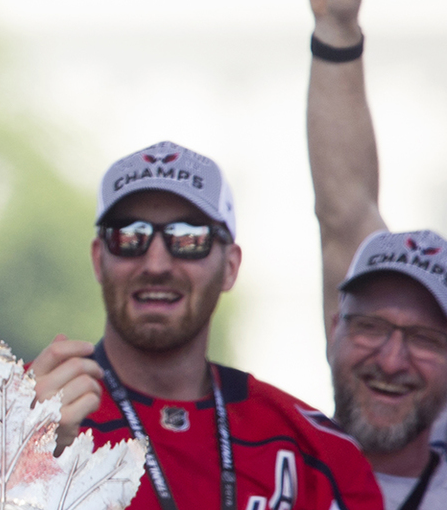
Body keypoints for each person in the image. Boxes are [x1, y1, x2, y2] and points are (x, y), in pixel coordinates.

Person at [29, 143, 383, 510]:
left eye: (188, 238)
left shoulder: (315, 453)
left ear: (230, 266)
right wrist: (19, 471)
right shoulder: (20, 417)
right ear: (99, 259)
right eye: (129, 236)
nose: (156, 264)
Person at [305, 0, 447, 509]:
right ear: (334, 326)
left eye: (425, 339)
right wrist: (337, 28)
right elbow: (344, 210)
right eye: (370, 326)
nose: (392, 358)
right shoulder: (270, 473)